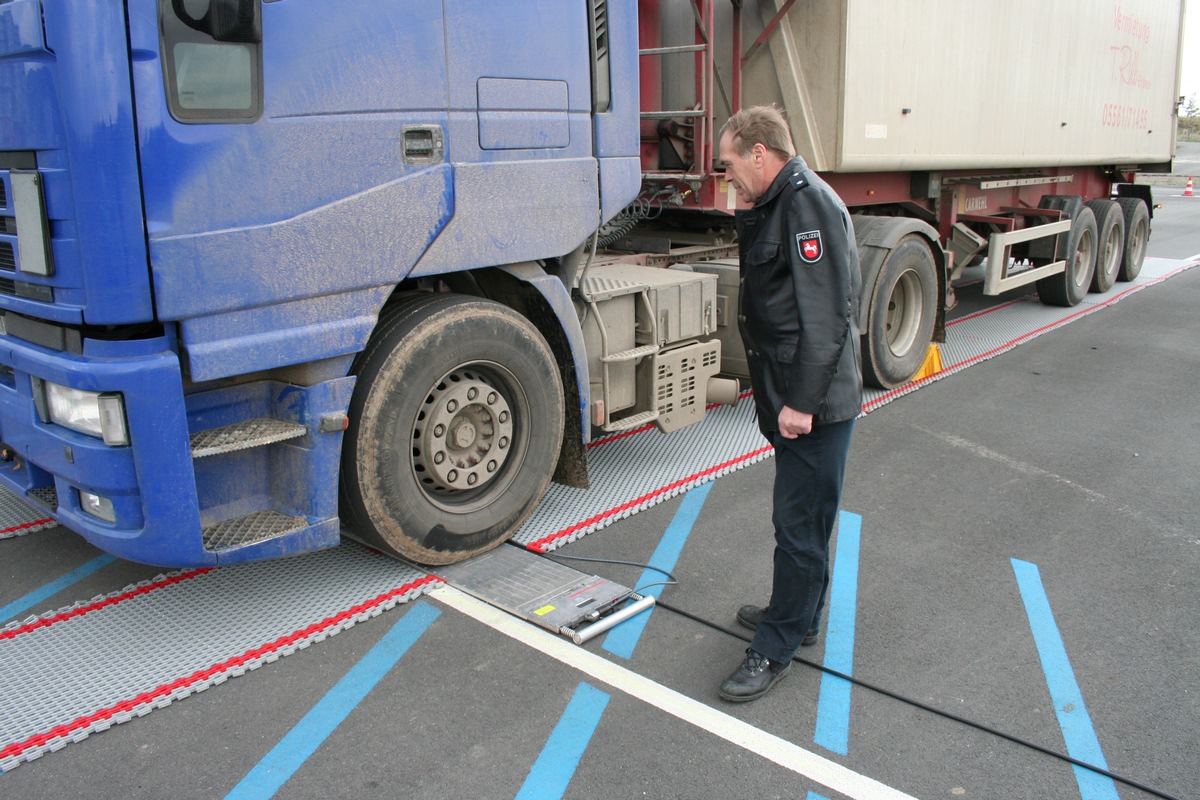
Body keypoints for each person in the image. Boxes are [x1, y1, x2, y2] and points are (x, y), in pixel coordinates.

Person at [715, 106, 862, 703]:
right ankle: (800, 614)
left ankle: (775, 646)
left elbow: (828, 318)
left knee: (796, 525)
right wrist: (748, 214)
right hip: (794, 396)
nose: (727, 177)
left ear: (759, 152)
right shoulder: (777, 203)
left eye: (729, 164)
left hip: (815, 404)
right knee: (808, 520)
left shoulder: (808, 206)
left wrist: (800, 403)